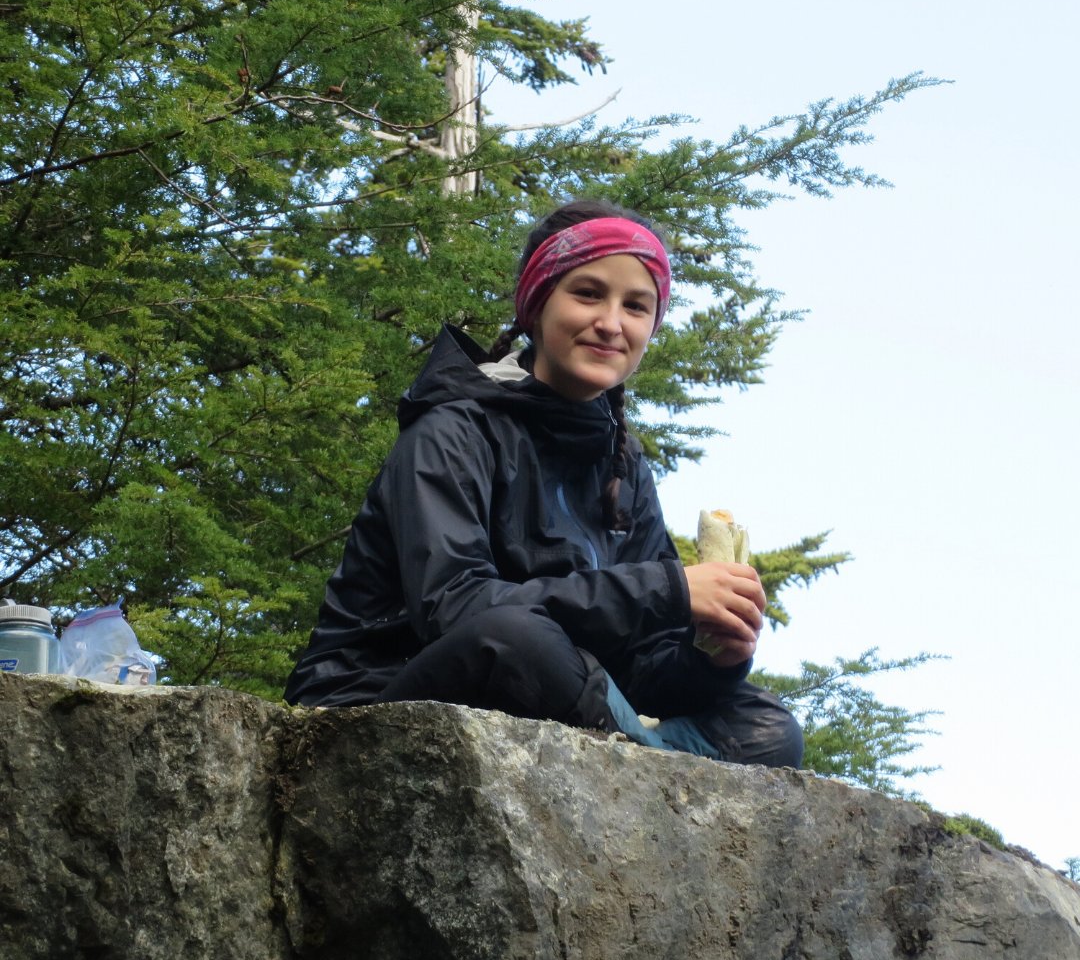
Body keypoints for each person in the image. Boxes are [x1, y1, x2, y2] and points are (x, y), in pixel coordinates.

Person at [284, 201, 803, 768]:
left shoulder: (622, 467)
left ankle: (636, 757)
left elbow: (641, 669)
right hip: (373, 703)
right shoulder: (452, 429)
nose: (611, 322)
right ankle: (642, 761)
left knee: (766, 728)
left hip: (559, 693)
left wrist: (711, 657)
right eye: (587, 294)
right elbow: (454, 607)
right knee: (514, 636)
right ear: (536, 305)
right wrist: (668, 591)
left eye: (636, 306)